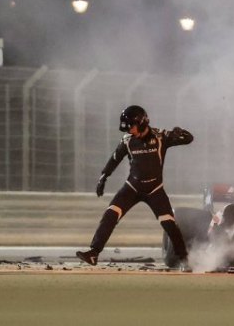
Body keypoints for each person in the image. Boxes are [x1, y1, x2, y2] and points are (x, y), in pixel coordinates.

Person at [76, 105, 194, 268]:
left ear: (142, 123)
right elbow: (115, 158)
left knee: (169, 224)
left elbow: (189, 139)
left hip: (155, 190)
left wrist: (180, 133)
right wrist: (104, 176)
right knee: (110, 214)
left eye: (131, 126)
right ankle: (94, 253)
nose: (129, 130)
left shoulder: (161, 136)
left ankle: (184, 259)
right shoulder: (127, 140)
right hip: (132, 187)